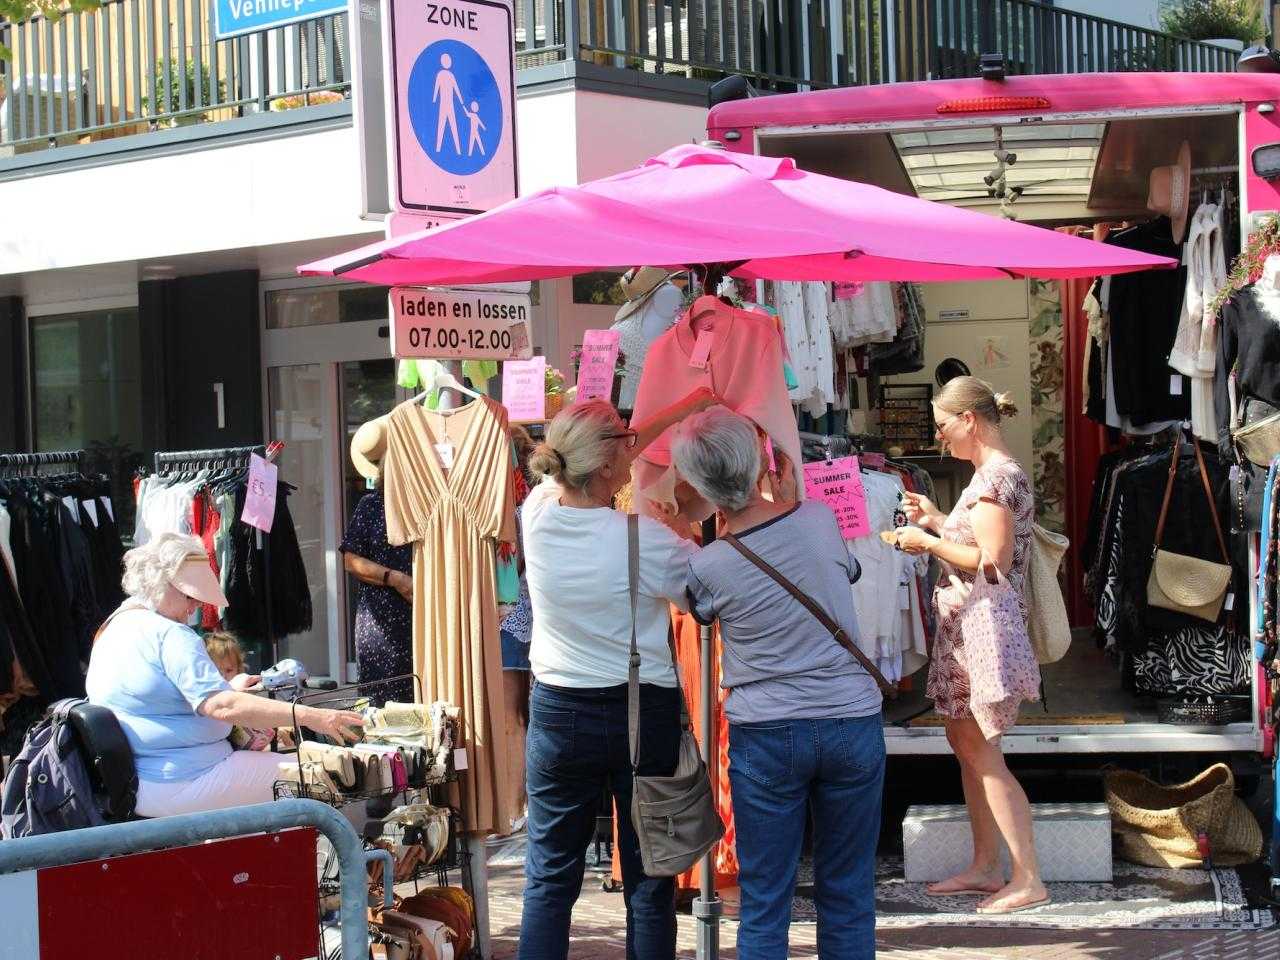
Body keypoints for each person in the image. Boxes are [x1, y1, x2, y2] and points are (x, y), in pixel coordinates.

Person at [670, 406, 884, 960]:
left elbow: (700, 607)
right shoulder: (818, 520)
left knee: (765, 901)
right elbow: (845, 572)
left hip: (767, 730)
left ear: (699, 485)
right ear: (761, 464)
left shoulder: (708, 566)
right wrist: (789, 497)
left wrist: (685, 519)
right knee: (849, 891)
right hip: (849, 717)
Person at [517, 388, 718, 960]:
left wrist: (679, 408)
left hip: (558, 711)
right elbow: (702, 598)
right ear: (607, 466)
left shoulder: (537, 513)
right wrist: (685, 523)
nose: (635, 450)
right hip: (641, 714)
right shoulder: (648, 540)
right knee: (650, 881)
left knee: (549, 878)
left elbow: (585, 454)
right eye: (626, 444)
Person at [891, 375, 1047, 914]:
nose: (939, 437)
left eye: (942, 426)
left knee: (981, 750)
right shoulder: (989, 476)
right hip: (966, 628)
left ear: (969, 420)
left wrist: (926, 540)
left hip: (981, 630)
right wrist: (937, 520)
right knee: (967, 745)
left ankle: (1027, 877)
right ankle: (986, 865)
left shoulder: (995, 479)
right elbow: (979, 542)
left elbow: (991, 561)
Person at [87, 533, 364, 818]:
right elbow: (221, 705)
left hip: (144, 781)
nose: (195, 606)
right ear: (164, 585)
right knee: (327, 776)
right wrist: (314, 716)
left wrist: (230, 690)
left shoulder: (114, 625)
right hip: (184, 778)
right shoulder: (171, 635)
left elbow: (161, 697)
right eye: (189, 595)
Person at [340, 478, 415, 706]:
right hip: (380, 620)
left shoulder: (427, 504)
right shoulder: (371, 504)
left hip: (423, 619)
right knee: (381, 702)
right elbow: (350, 560)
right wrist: (394, 579)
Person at [204, 632, 274, 751]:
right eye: (216, 671)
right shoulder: (204, 698)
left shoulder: (242, 691)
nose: (223, 676)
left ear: (238, 669)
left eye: (229, 670)